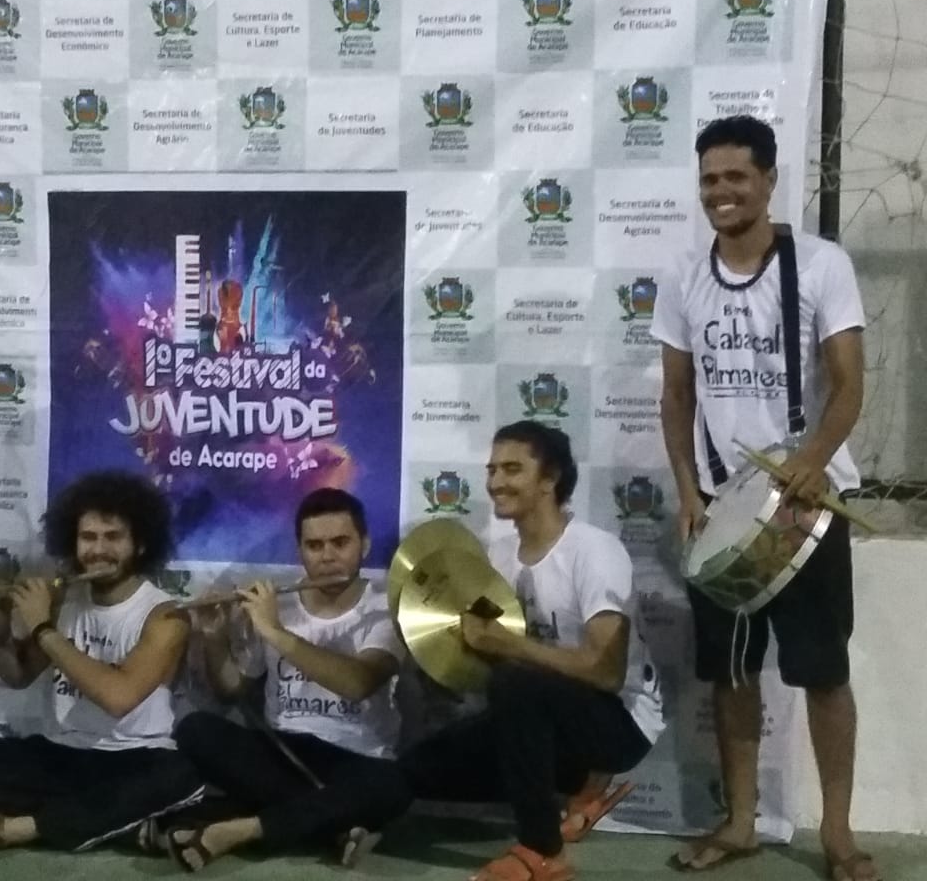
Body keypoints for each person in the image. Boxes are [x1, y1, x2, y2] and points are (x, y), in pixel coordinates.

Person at [653, 115, 878, 881]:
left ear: (769, 180)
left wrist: (812, 462)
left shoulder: (820, 265)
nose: (721, 192)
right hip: (722, 510)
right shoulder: (684, 275)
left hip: (809, 510)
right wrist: (689, 491)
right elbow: (675, 394)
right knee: (732, 674)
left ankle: (838, 834)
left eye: (736, 177)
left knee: (823, 673)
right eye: (709, 179)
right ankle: (742, 821)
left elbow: (848, 383)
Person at [399, 421, 665, 881]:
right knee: (418, 767)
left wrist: (509, 645)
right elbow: (485, 654)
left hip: (620, 723)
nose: (495, 482)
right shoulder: (498, 557)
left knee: (517, 681)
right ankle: (577, 790)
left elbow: (606, 672)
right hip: (540, 717)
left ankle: (543, 851)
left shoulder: (594, 551)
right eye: (492, 469)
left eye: (512, 469)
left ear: (550, 479)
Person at [0, 471, 204, 859]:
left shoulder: (165, 616)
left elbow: (119, 697)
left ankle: (21, 829)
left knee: (181, 777)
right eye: (88, 538)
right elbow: (18, 676)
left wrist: (42, 628)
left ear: (140, 544)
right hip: (65, 754)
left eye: (113, 537)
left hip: (137, 758)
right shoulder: (67, 602)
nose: (98, 550)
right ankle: (119, 826)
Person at [166, 487, 411, 871]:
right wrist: (214, 638)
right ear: (300, 550)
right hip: (283, 750)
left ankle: (241, 829)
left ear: (364, 545)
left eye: (340, 543)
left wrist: (276, 632)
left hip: (357, 757)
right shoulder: (276, 605)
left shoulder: (385, 610)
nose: (327, 556)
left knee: (394, 786)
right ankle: (335, 826)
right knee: (195, 730)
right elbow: (231, 690)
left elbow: (359, 683)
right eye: (314, 546)